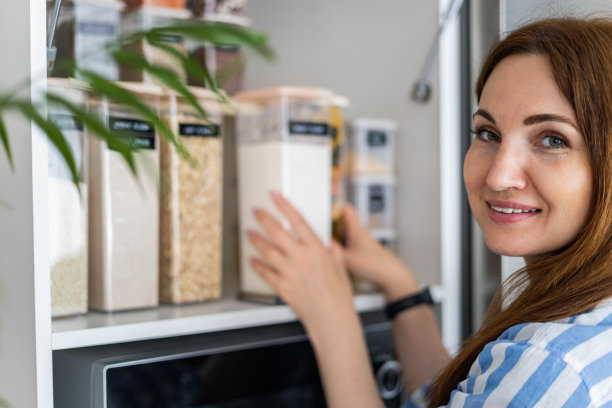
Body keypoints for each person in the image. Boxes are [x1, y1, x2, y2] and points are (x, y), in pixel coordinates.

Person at [246, 17, 612, 407]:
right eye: (487, 133)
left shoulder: (550, 363)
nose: (499, 175)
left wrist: (334, 324)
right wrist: (401, 289)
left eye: (552, 139)